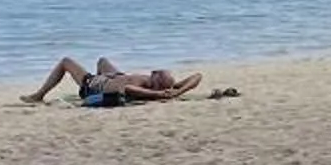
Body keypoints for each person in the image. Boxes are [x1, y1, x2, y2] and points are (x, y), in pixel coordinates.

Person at [24, 57, 202, 106]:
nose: (153, 72)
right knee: (102, 61)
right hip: (115, 76)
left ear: (157, 83)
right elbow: (197, 76)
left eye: (157, 74)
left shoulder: (144, 88)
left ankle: (39, 95)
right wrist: (179, 91)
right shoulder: (165, 88)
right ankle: (99, 88)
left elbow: (129, 89)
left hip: (93, 85)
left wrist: (159, 95)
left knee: (66, 62)